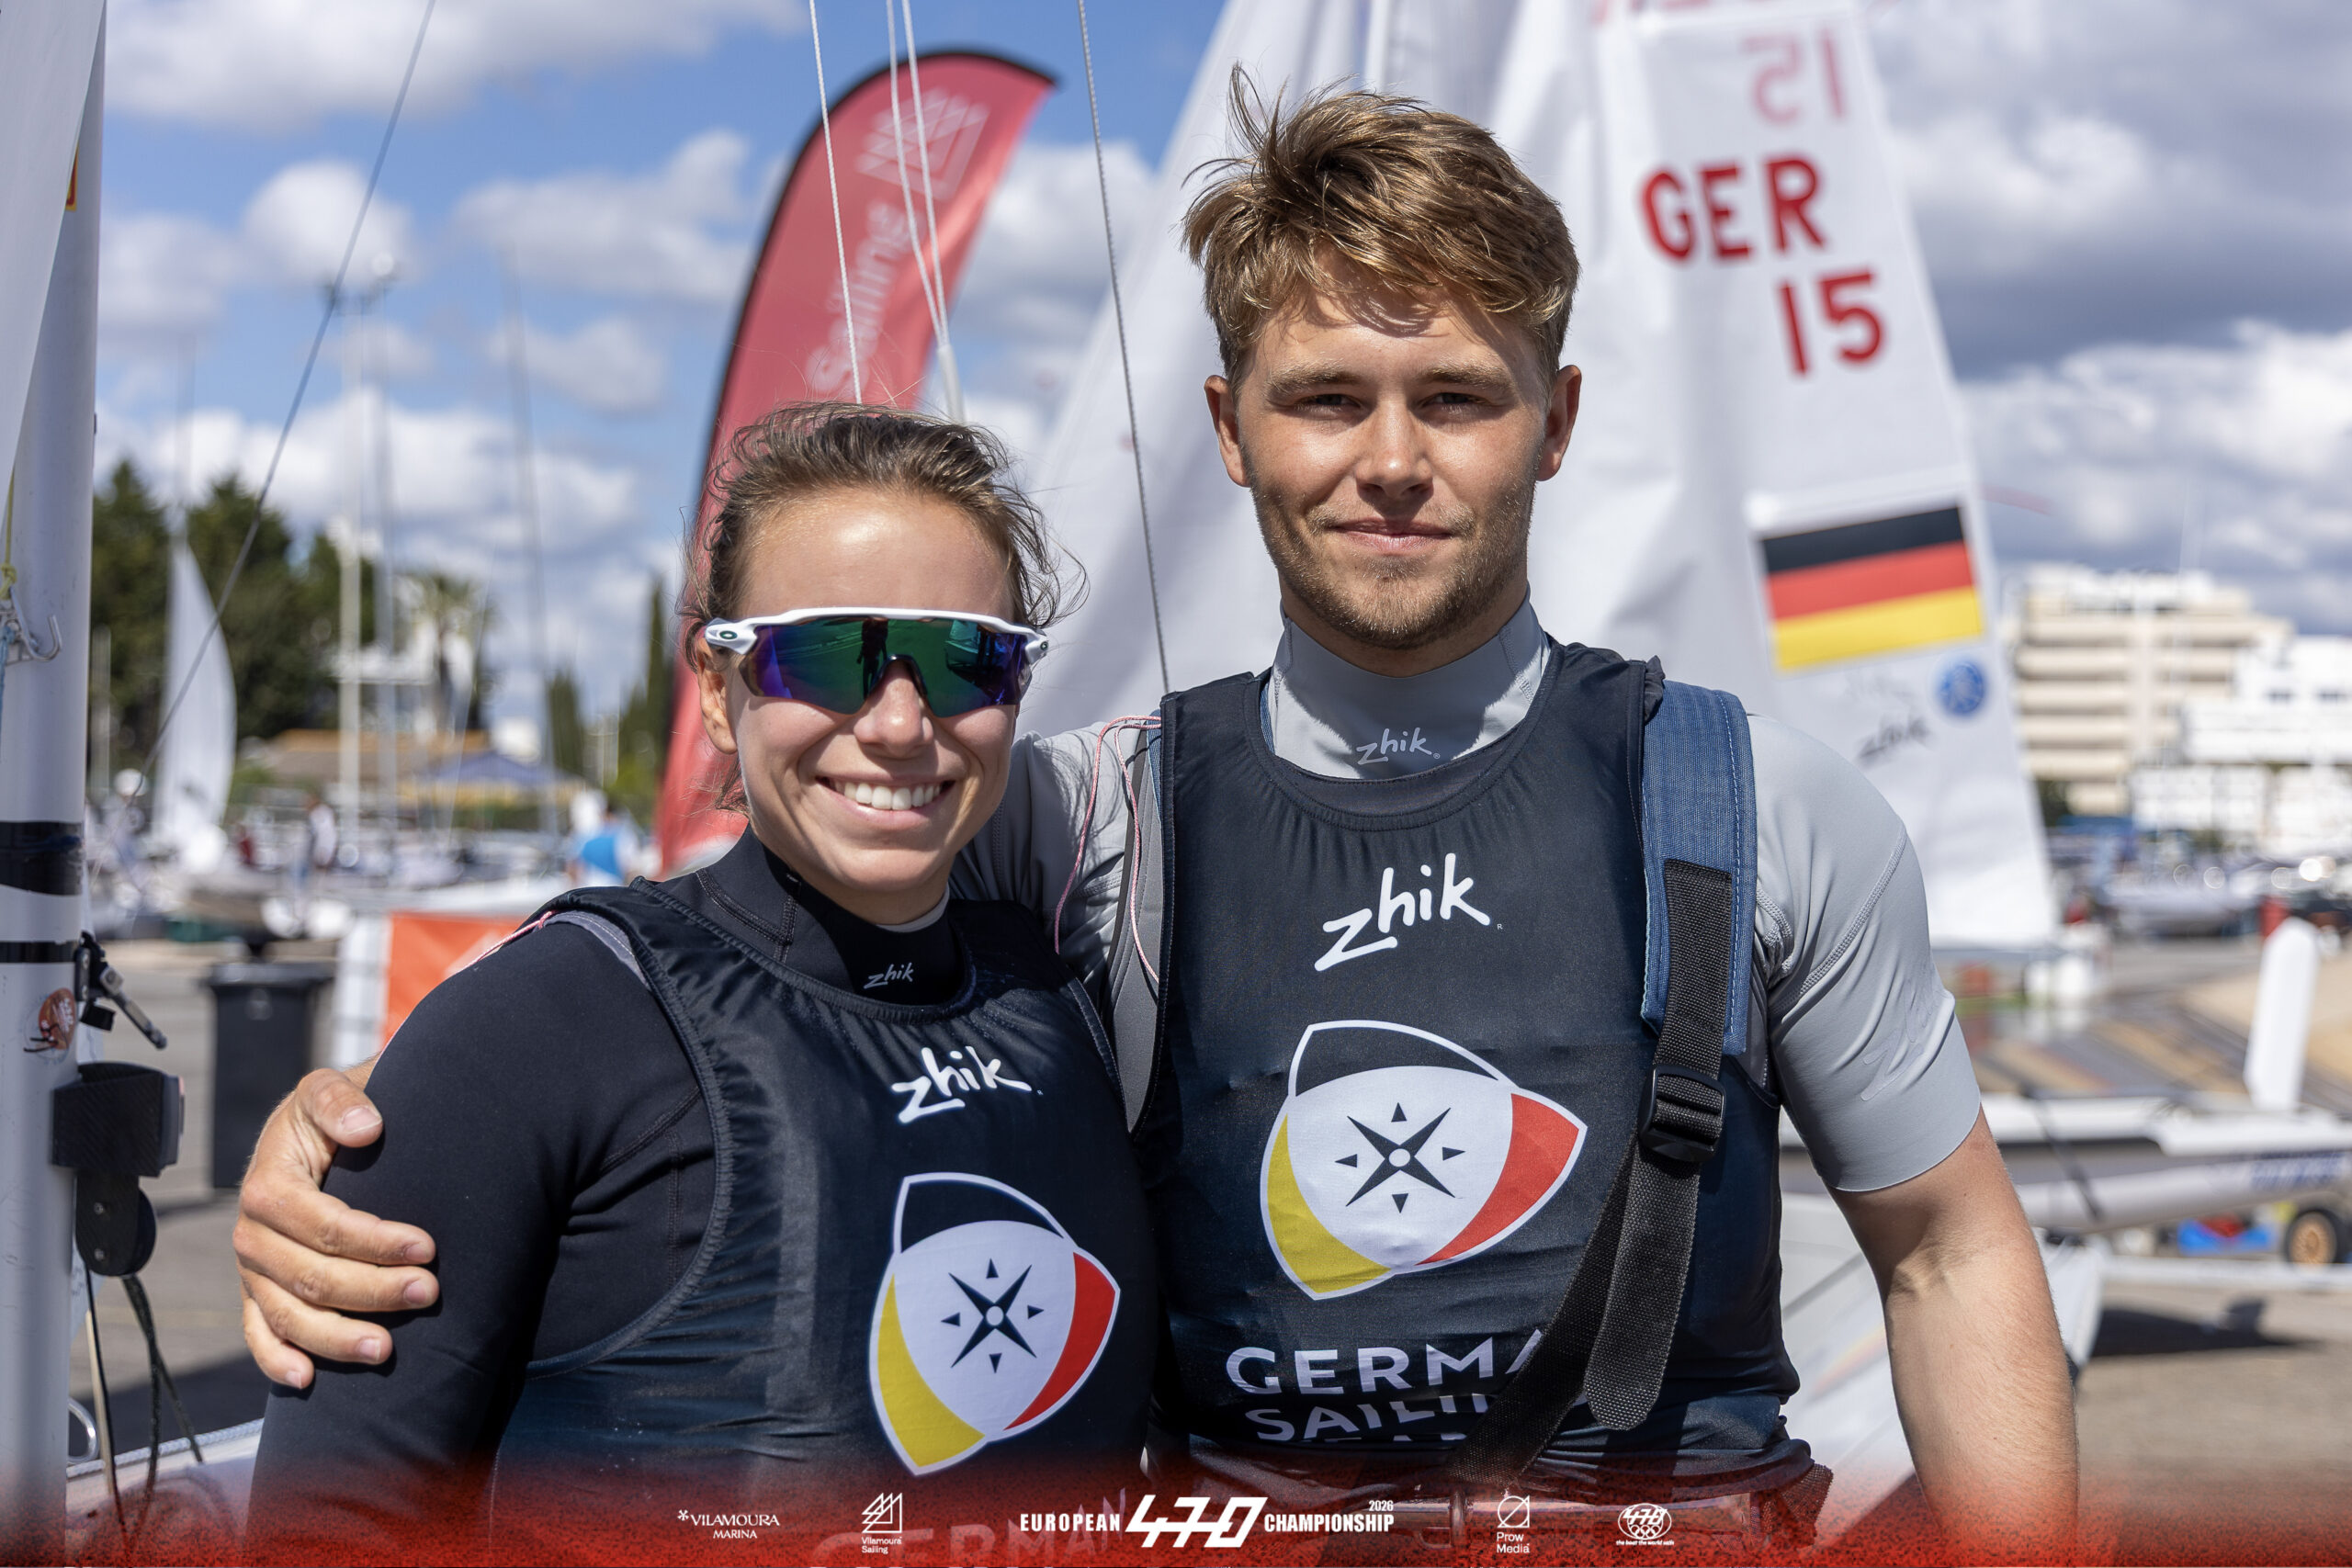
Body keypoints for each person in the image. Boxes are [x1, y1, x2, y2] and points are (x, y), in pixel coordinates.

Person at [235, 85, 2075, 1558]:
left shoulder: (1753, 799)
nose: (1389, 459)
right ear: (1224, 424)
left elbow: (1949, 1249)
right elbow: (726, 959)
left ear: (1555, 416)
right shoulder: (1072, 812)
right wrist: (374, 1146)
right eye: (1322, 397)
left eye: (1455, 396)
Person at [243, 407, 1157, 1562]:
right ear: (720, 688)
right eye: (826, 654)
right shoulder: (536, 1028)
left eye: (964, 657)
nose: (897, 722)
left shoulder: (1072, 992)